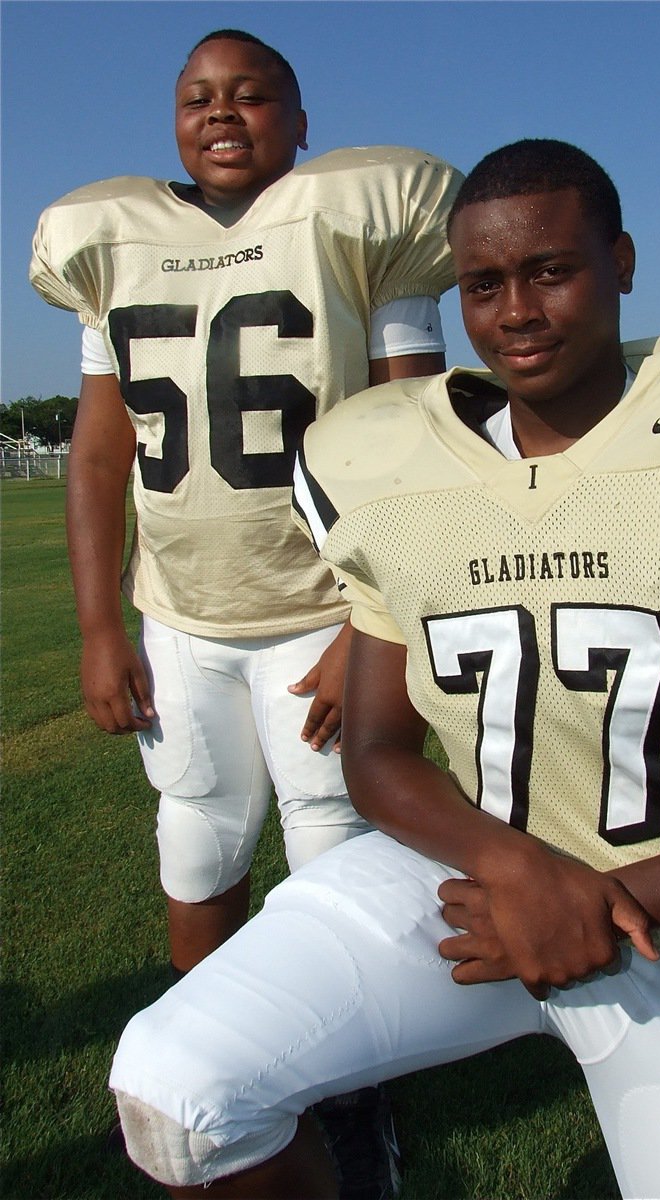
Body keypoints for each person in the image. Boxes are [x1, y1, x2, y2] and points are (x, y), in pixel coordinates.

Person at [106, 139, 660, 1199]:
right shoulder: (386, 460)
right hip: (464, 882)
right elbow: (374, 755)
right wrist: (523, 875)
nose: (515, 311)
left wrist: (605, 899)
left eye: (550, 269)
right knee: (174, 1094)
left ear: (620, 260)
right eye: (482, 285)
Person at [29, 27, 462, 1199]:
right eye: (197, 98)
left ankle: (351, 1102)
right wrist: (99, 625)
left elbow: (416, 433)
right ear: (172, 118)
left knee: (330, 870)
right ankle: (215, 1078)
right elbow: (100, 446)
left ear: (299, 116)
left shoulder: (358, 216)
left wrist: (370, 625)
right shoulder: (109, 242)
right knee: (198, 844)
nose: (223, 114)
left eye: (253, 94)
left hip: (321, 612)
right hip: (181, 617)